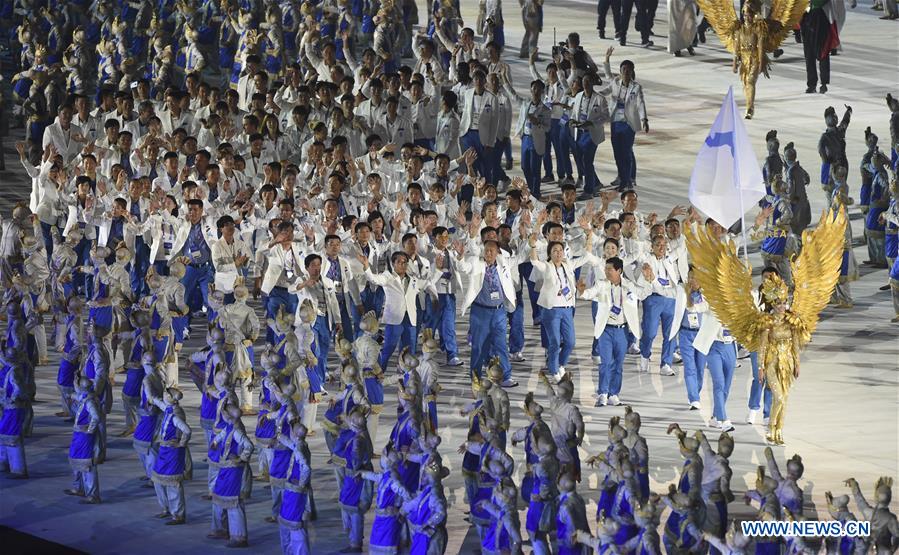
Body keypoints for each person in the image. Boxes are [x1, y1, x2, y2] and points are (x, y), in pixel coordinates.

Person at [579, 256, 640, 407]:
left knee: (618, 364)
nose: (606, 272)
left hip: (622, 330)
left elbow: (643, 293)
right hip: (606, 330)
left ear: (619, 270)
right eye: (605, 269)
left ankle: (614, 394)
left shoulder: (628, 286)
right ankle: (603, 393)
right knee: (605, 362)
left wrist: (649, 279)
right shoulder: (601, 284)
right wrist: (581, 291)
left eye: (609, 269)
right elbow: (589, 293)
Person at [458, 239, 518, 387]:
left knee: (501, 345)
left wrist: (531, 243)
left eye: (492, 250)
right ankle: (476, 376)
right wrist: (460, 257)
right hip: (480, 312)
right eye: (486, 250)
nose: (489, 253)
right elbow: (464, 267)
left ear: (498, 251)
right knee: (479, 346)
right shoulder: (476, 262)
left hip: (499, 312)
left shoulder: (503, 262)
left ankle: (506, 376)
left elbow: (521, 257)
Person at [600, 48, 649, 191]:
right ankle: (622, 176)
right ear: (620, 71)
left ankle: (626, 181)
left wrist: (644, 119)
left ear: (632, 71)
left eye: (628, 70)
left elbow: (641, 103)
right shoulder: (615, 82)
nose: (626, 72)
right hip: (616, 122)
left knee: (626, 151)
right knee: (617, 152)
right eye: (623, 69)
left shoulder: (636, 87)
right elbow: (607, 79)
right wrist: (607, 59)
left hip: (629, 124)